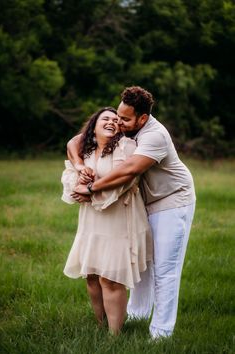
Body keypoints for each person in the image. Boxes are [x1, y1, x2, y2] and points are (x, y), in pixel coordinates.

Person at [68, 86, 196, 340]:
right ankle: (136, 314)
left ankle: (161, 332)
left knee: (165, 268)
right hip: (145, 202)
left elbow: (127, 171)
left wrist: (91, 189)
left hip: (171, 200)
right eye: (117, 116)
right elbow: (75, 141)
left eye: (125, 119)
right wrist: (80, 165)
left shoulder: (154, 136)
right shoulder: (125, 127)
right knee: (145, 264)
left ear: (143, 118)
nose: (119, 122)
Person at [61, 107, 152, 335]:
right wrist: (79, 179)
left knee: (110, 278)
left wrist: (90, 191)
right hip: (92, 221)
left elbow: (125, 180)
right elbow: (71, 171)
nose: (112, 121)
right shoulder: (87, 149)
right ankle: (100, 326)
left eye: (115, 119)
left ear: (121, 127)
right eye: (106, 118)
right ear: (94, 125)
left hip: (119, 219)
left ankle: (114, 336)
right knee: (91, 276)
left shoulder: (128, 147)